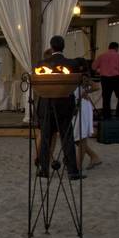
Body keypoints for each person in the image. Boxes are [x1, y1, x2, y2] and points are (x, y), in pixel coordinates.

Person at [35, 35, 83, 180]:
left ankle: (44, 169)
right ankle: (72, 171)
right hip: (65, 103)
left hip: (47, 103)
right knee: (66, 137)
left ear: (51, 47)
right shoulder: (72, 64)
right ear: (63, 47)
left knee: (46, 138)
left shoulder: (40, 65)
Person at [73, 65, 103, 170]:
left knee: (80, 137)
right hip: (77, 107)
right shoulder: (74, 77)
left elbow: (96, 86)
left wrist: (86, 92)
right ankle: (94, 156)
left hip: (82, 108)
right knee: (76, 138)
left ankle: (78, 165)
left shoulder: (83, 77)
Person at [92, 42, 119, 120]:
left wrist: (100, 71)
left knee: (106, 98)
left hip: (105, 79)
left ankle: (106, 116)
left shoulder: (101, 56)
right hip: (116, 78)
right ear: (116, 48)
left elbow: (93, 67)